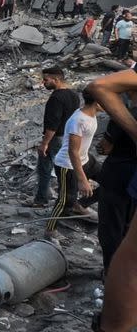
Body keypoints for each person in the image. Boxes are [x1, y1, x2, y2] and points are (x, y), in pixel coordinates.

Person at [86, 68, 137, 331]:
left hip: (120, 174)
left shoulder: (121, 118)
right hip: (125, 177)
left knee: (117, 242)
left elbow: (99, 86)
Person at [45, 89, 101, 241]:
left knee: (110, 180)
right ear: (97, 102)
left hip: (85, 159)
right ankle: (50, 230)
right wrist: (82, 180)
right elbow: (72, 152)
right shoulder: (79, 120)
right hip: (67, 164)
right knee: (65, 200)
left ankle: (80, 205)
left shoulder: (91, 113)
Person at [96, 90, 137, 273]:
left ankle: (111, 272)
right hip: (133, 181)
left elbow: (105, 147)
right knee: (129, 228)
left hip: (117, 175)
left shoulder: (124, 115)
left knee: (111, 229)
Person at [28, 66, 81, 208]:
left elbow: (53, 124)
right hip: (69, 137)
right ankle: (67, 199)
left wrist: (44, 143)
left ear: (56, 79)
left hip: (56, 138)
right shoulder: (74, 95)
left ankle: (41, 200)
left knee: (45, 168)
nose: (43, 83)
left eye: (46, 80)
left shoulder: (56, 98)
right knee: (64, 169)